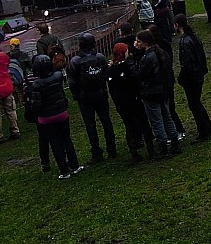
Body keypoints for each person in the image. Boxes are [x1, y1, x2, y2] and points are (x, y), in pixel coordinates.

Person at [28, 53, 83, 179]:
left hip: (46, 118)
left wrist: (34, 110)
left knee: (55, 143)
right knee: (67, 139)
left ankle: (64, 171)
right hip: (61, 113)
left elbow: (36, 105)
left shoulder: (37, 84)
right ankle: (75, 166)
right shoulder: (58, 76)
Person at [66, 32, 117, 162]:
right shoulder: (100, 57)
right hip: (100, 93)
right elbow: (106, 74)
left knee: (90, 125)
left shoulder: (75, 61)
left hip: (85, 97)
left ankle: (96, 153)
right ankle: (112, 149)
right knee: (106, 121)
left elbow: (72, 81)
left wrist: (77, 95)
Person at [135, 29, 181, 156]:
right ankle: (174, 141)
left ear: (145, 42)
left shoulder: (147, 58)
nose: (137, 43)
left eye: (139, 41)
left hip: (152, 92)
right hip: (163, 90)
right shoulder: (161, 52)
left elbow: (141, 74)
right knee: (167, 116)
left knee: (156, 120)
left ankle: (163, 146)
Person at [175, 15, 211, 141]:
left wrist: (183, 77)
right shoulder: (193, 37)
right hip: (199, 74)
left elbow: (187, 63)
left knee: (194, 104)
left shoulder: (185, 41)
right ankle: (208, 129)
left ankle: (204, 131)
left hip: (192, 77)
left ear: (177, 25)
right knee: (197, 103)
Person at [106, 42, 149, 163]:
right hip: (133, 99)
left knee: (129, 125)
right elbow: (135, 80)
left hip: (121, 101)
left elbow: (111, 88)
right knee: (143, 122)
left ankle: (134, 151)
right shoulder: (127, 66)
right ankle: (149, 148)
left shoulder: (111, 69)